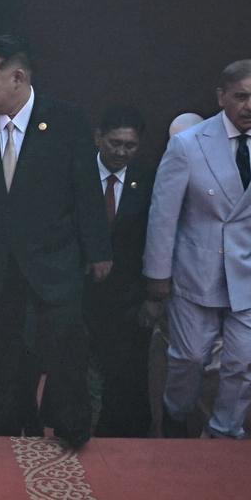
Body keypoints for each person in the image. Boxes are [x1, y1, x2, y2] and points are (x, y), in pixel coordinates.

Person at [0, 34, 111, 449]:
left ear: (18, 77)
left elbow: (85, 189)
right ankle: (0, 430)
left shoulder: (65, 121)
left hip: (53, 255)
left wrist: (98, 250)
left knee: (65, 342)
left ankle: (71, 426)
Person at [144, 59, 251, 439]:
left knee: (243, 363)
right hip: (196, 268)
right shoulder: (188, 145)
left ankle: (225, 434)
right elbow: (163, 216)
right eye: (242, 96)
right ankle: (176, 416)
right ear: (221, 96)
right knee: (189, 358)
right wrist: (157, 275)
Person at [83, 105, 155, 437]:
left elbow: (153, 240)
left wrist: (152, 296)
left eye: (130, 146)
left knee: (124, 374)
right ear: (98, 138)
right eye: (114, 143)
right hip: (79, 292)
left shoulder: (148, 181)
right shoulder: (77, 174)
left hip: (127, 297)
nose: (121, 152)